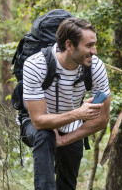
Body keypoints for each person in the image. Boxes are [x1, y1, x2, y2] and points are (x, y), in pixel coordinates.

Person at [21, 17, 110, 190]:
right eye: (89, 45)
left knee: (67, 185)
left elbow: (102, 119)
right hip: (37, 125)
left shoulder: (95, 67)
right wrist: (78, 114)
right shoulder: (36, 65)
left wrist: (64, 140)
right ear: (69, 45)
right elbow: (38, 120)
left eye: (94, 44)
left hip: (72, 126)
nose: (95, 51)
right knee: (45, 135)